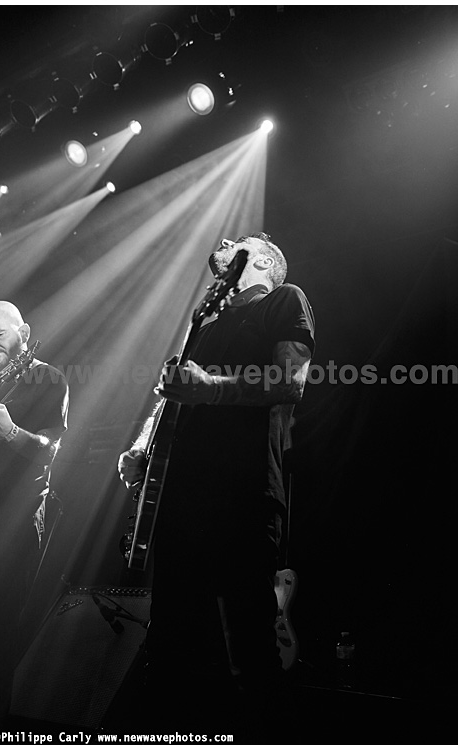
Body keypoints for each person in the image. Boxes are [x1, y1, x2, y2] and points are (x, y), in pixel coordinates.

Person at [117, 233, 315, 735]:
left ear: (263, 260)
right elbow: (172, 394)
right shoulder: (205, 323)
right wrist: (142, 447)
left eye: (240, 241)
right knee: (168, 644)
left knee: (248, 650)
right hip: (183, 498)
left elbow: (290, 381)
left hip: (243, 494)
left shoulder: (283, 300)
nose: (225, 240)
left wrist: (211, 388)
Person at [0, 300, 69, 727]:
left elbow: (52, 451)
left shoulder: (48, 379)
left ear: (24, 333)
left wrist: (8, 430)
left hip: (15, 520)